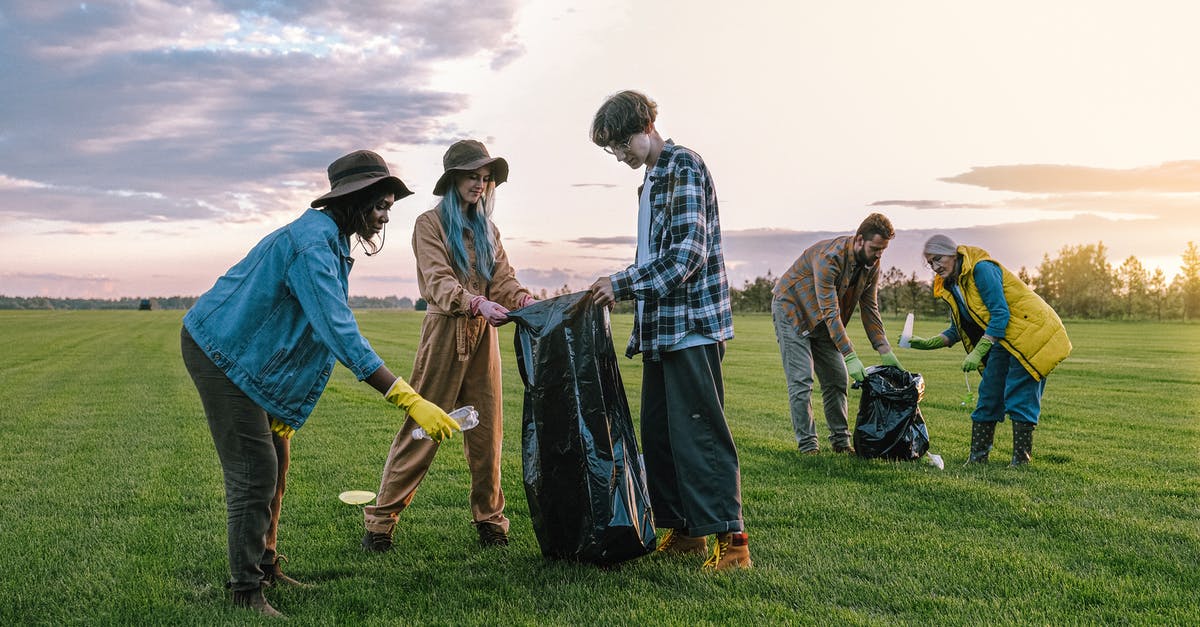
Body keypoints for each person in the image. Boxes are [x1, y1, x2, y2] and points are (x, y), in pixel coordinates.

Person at [181, 150, 461, 618]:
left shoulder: (330, 240)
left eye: (389, 206)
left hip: (249, 356)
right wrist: (410, 400)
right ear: (352, 200)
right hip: (220, 352)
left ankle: (266, 564)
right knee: (255, 474)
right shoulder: (313, 245)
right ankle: (244, 592)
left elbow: (301, 333)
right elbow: (338, 332)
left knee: (278, 461)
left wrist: (283, 406)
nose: (385, 216)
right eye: (379, 206)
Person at [588, 90, 751, 572]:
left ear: (643, 127)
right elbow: (653, 258)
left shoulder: (683, 165)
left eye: (619, 145)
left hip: (693, 327)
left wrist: (620, 285)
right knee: (660, 437)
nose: (618, 156)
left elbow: (686, 255)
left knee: (700, 435)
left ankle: (733, 540)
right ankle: (685, 532)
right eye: (610, 150)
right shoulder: (651, 181)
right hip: (661, 329)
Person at [363, 140, 534, 551]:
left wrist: (524, 301)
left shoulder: (488, 230)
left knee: (487, 434)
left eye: (486, 178)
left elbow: (504, 280)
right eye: (473, 176)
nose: (480, 184)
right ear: (454, 178)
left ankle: (491, 520)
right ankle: (381, 522)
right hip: (444, 333)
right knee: (422, 428)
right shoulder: (429, 224)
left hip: (483, 339)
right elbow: (437, 280)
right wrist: (474, 302)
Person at [907, 234, 1071, 466]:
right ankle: (977, 459)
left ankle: (1020, 461)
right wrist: (929, 342)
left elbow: (1000, 313)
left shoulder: (981, 270)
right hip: (1004, 338)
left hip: (1031, 333)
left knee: (1020, 394)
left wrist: (979, 350)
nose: (934, 267)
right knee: (989, 394)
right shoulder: (954, 285)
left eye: (938, 259)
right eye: (930, 263)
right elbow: (960, 327)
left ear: (952, 254)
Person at [771, 213, 904, 455]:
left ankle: (841, 443)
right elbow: (830, 311)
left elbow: (870, 307)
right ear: (859, 239)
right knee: (802, 381)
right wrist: (850, 355)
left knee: (837, 379)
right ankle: (808, 447)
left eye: (883, 250)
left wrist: (884, 349)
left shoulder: (871, 265)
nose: (879, 255)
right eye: (875, 248)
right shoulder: (829, 258)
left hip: (823, 322)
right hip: (793, 312)